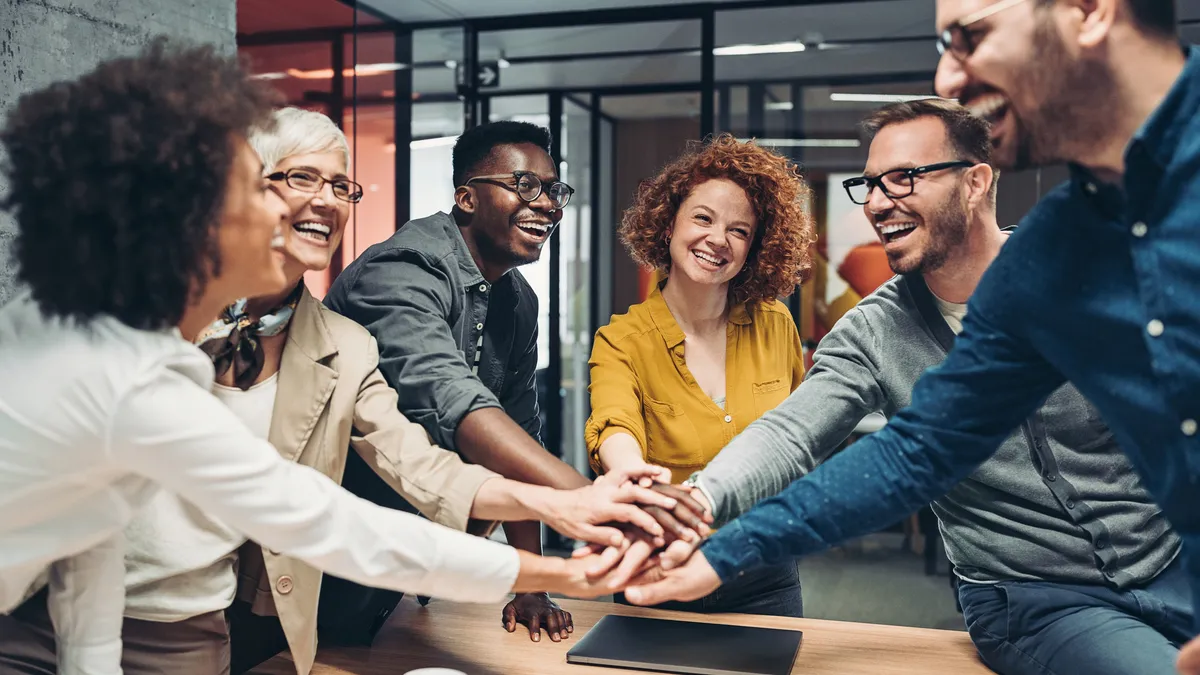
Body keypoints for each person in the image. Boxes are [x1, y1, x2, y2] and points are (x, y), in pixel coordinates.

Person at [0, 39, 637, 675]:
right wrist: (566, 551)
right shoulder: (109, 351)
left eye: (340, 185)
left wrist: (560, 528)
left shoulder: (182, 354)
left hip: (184, 633)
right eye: (282, 183)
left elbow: (92, 544)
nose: (322, 204)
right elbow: (328, 522)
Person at [622, 2, 1200, 672]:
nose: (948, 76)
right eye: (868, 185)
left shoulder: (1058, 253)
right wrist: (714, 534)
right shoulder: (1051, 256)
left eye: (970, 37)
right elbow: (909, 448)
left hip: (1171, 565)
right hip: (1040, 600)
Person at [323, 120, 708, 643]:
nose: (549, 204)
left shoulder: (517, 299)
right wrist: (591, 498)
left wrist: (530, 581)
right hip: (325, 543)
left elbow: (520, 427)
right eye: (525, 185)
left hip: (403, 548)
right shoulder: (402, 269)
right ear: (466, 197)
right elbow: (451, 397)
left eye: (554, 190)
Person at [585, 135, 814, 617]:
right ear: (669, 225)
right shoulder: (622, 339)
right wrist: (629, 472)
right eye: (703, 218)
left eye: (739, 230)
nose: (717, 239)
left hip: (765, 570)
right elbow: (614, 423)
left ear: (755, 248)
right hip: (659, 567)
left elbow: (800, 435)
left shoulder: (776, 325)